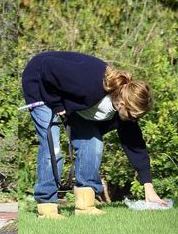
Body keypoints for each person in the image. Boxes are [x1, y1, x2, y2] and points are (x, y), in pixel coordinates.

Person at [22, 51, 166, 219]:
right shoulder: (90, 84)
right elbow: (48, 66)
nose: (136, 119)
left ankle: (85, 205)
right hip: (40, 82)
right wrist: (56, 104)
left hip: (69, 99)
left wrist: (148, 187)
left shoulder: (122, 109)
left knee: (93, 143)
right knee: (51, 147)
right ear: (122, 104)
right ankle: (46, 208)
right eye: (135, 116)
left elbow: (134, 144)